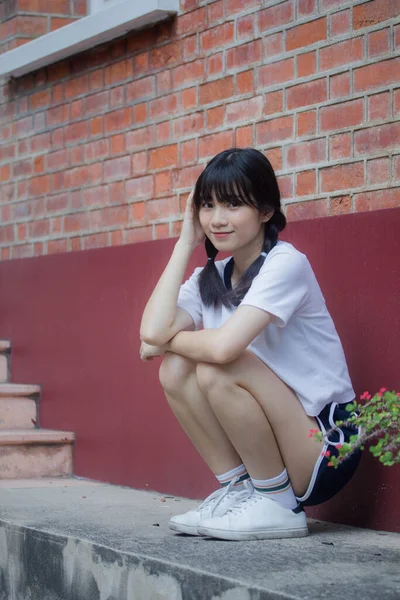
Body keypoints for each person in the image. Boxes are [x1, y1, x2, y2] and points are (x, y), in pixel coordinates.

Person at [140, 147, 361, 541]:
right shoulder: (213, 275)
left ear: (265, 211)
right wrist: (183, 242)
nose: (217, 219)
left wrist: (172, 341)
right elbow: (151, 336)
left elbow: (223, 350)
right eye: (207, 206)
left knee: (218, 366)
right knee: (174, 369)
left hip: (327, 445)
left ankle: (277, 505)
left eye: (233, 204)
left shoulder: (285, 263)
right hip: (283, 440)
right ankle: (242, 491)